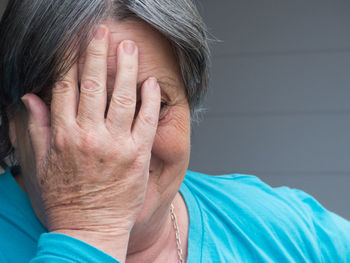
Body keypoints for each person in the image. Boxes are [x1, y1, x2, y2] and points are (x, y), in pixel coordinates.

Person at [0, 0, 349, 262]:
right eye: (79, 108)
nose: (112, 147)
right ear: (14, 121)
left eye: (152, 105)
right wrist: (88, 231)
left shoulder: (280, 226)